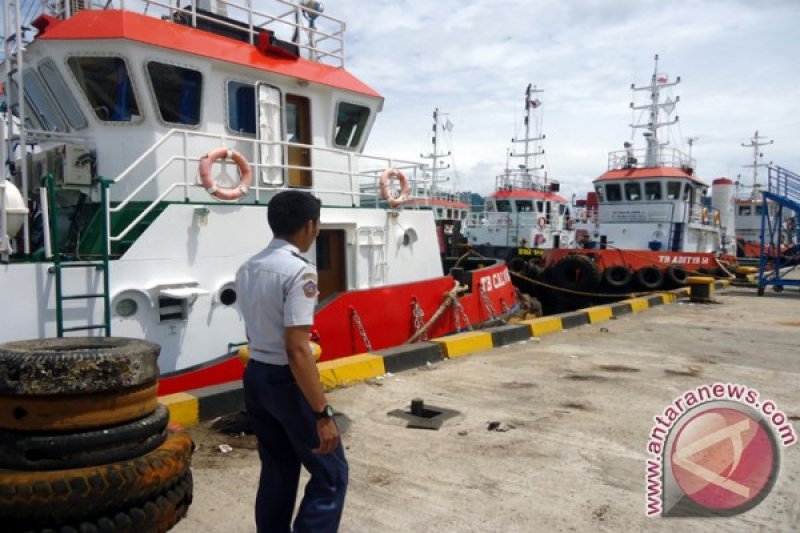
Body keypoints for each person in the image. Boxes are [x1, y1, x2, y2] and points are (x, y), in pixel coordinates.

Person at [236, 190, 347, 533]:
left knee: (278, 469)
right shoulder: (300, 273)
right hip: (286, 382)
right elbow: (297, 349)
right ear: (311, 225)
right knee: (331, 473)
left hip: (255, 376)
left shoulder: (248, 267)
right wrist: (322, 414)